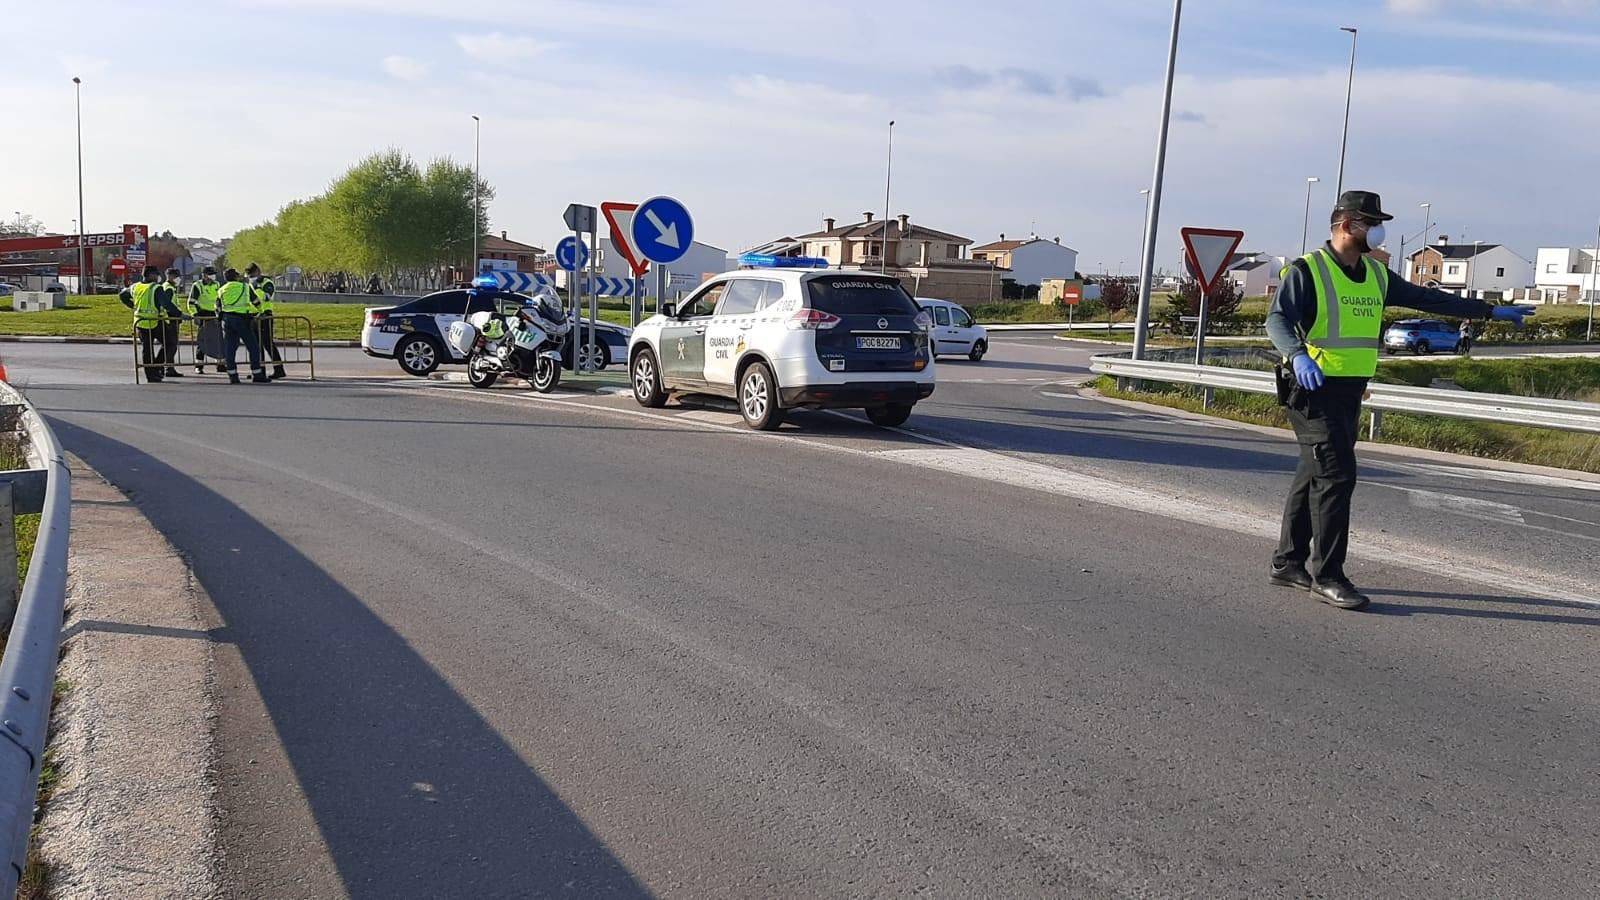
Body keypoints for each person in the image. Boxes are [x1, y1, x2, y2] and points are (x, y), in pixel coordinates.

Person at [1265, 191, 1535, 610]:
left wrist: (1486, 312)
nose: (1377, 230)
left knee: (1313, 472)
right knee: (1336, 478)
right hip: (1313, 390)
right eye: (1369, 222)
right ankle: (1328, 575)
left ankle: (1287, 563)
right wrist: (1296, 354)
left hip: (1350, 390)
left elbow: (1428, 299)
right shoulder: (1309, 271)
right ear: (1343, 226)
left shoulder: (1375, 275)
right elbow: (1278, 318)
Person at [119, 266, 184, 383]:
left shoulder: (135, 286)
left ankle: (151, 374)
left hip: (140, 322)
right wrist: (180, 314)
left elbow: (122, 295)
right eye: (156, 274)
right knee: (170, 343)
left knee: (147, 349)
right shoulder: (156, 288)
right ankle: (157, 367)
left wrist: (132, 305)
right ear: (150, 275)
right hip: (155, 321)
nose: (158, 277)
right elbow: (167, 304)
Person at [218, 268, 270, 384]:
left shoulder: (221, 290)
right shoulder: (244, 287)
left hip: (227, 320)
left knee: (230, 348)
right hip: (242, 320)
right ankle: (257, 374)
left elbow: (217, 306)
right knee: (253, 347)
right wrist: (261, 312)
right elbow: (256, 301)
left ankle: (233, 376)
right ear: (236, 277)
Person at [245, 263, 287, 380]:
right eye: (248, 275)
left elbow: (266, 296)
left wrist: (255, 288)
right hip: (253, 315)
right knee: (256, 345)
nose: (250, 277)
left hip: (265, 315)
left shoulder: (266, 283)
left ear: (258, 272)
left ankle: (279, 369)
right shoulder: (249, 283)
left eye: (251, 274)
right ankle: (259, 371)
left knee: (267, 343)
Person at [189, 265, 225, 373]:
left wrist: (220, 312)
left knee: (218, 340)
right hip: (203, 315)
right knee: (203, 341)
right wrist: (195, 315)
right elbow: (191, 303)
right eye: (210, 274)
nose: (213, 276)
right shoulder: (198, 286)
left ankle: (220, 364)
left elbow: (219, 300)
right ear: (204, 275)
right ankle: (199, 365)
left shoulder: (217, 285)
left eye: (214, 274)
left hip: (214, 315)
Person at [158, 268, 187, 378]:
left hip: (172, 319)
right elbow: (168, 306)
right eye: (176, 276)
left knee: (170, 345)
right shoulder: (168, 288)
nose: (178, 279)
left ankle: (167, 367)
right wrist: (179, 314)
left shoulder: (169, 287)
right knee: (172, 345)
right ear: (170, 276)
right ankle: (168, 368)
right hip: (171, 320)